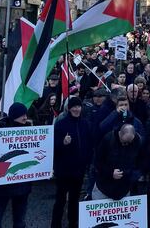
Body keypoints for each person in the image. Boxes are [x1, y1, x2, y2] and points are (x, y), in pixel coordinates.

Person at [0, 103, 33, 228]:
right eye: (21, 115)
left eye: (25, 114)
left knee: (20, 221)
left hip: (22, 185)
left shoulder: (30, 130)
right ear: (14, 116)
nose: (25, 117)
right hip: (2, 185)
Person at [52, 96, 93, 228]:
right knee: (61, 199)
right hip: (64, 169)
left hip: (79, 169)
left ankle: (73, 223)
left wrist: (87, 161)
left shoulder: (85, 123)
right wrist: (62, 143)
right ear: (69, 109)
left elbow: (88, 144)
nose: (76, 109)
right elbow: (52, 146)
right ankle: (55, 224)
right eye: (74, 107)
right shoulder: (60, 124)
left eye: (78, 106)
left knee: (74, 199)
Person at [93, 123, 142, 200]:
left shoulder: (137, 141)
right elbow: (98, 162)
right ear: (119, 133)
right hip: (103, 188)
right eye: (124, 141)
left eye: (129, 142)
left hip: (124, 190)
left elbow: (140, 163)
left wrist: (132, 176)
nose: (126, 144)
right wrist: (111, 173)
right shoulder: (108, 139)